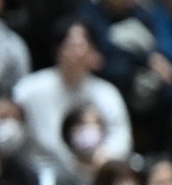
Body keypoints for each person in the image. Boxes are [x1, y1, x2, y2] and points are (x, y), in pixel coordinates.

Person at [13, 19, 131, 172]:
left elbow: (122, 137)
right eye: (72, 45)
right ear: (58, 50)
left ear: (93, 52)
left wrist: (104, 155)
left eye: (83, 46)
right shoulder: (30, 89)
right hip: (42, 170)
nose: (78, 53)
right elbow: (11, 124)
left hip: (92, 171)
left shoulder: (107, 94)